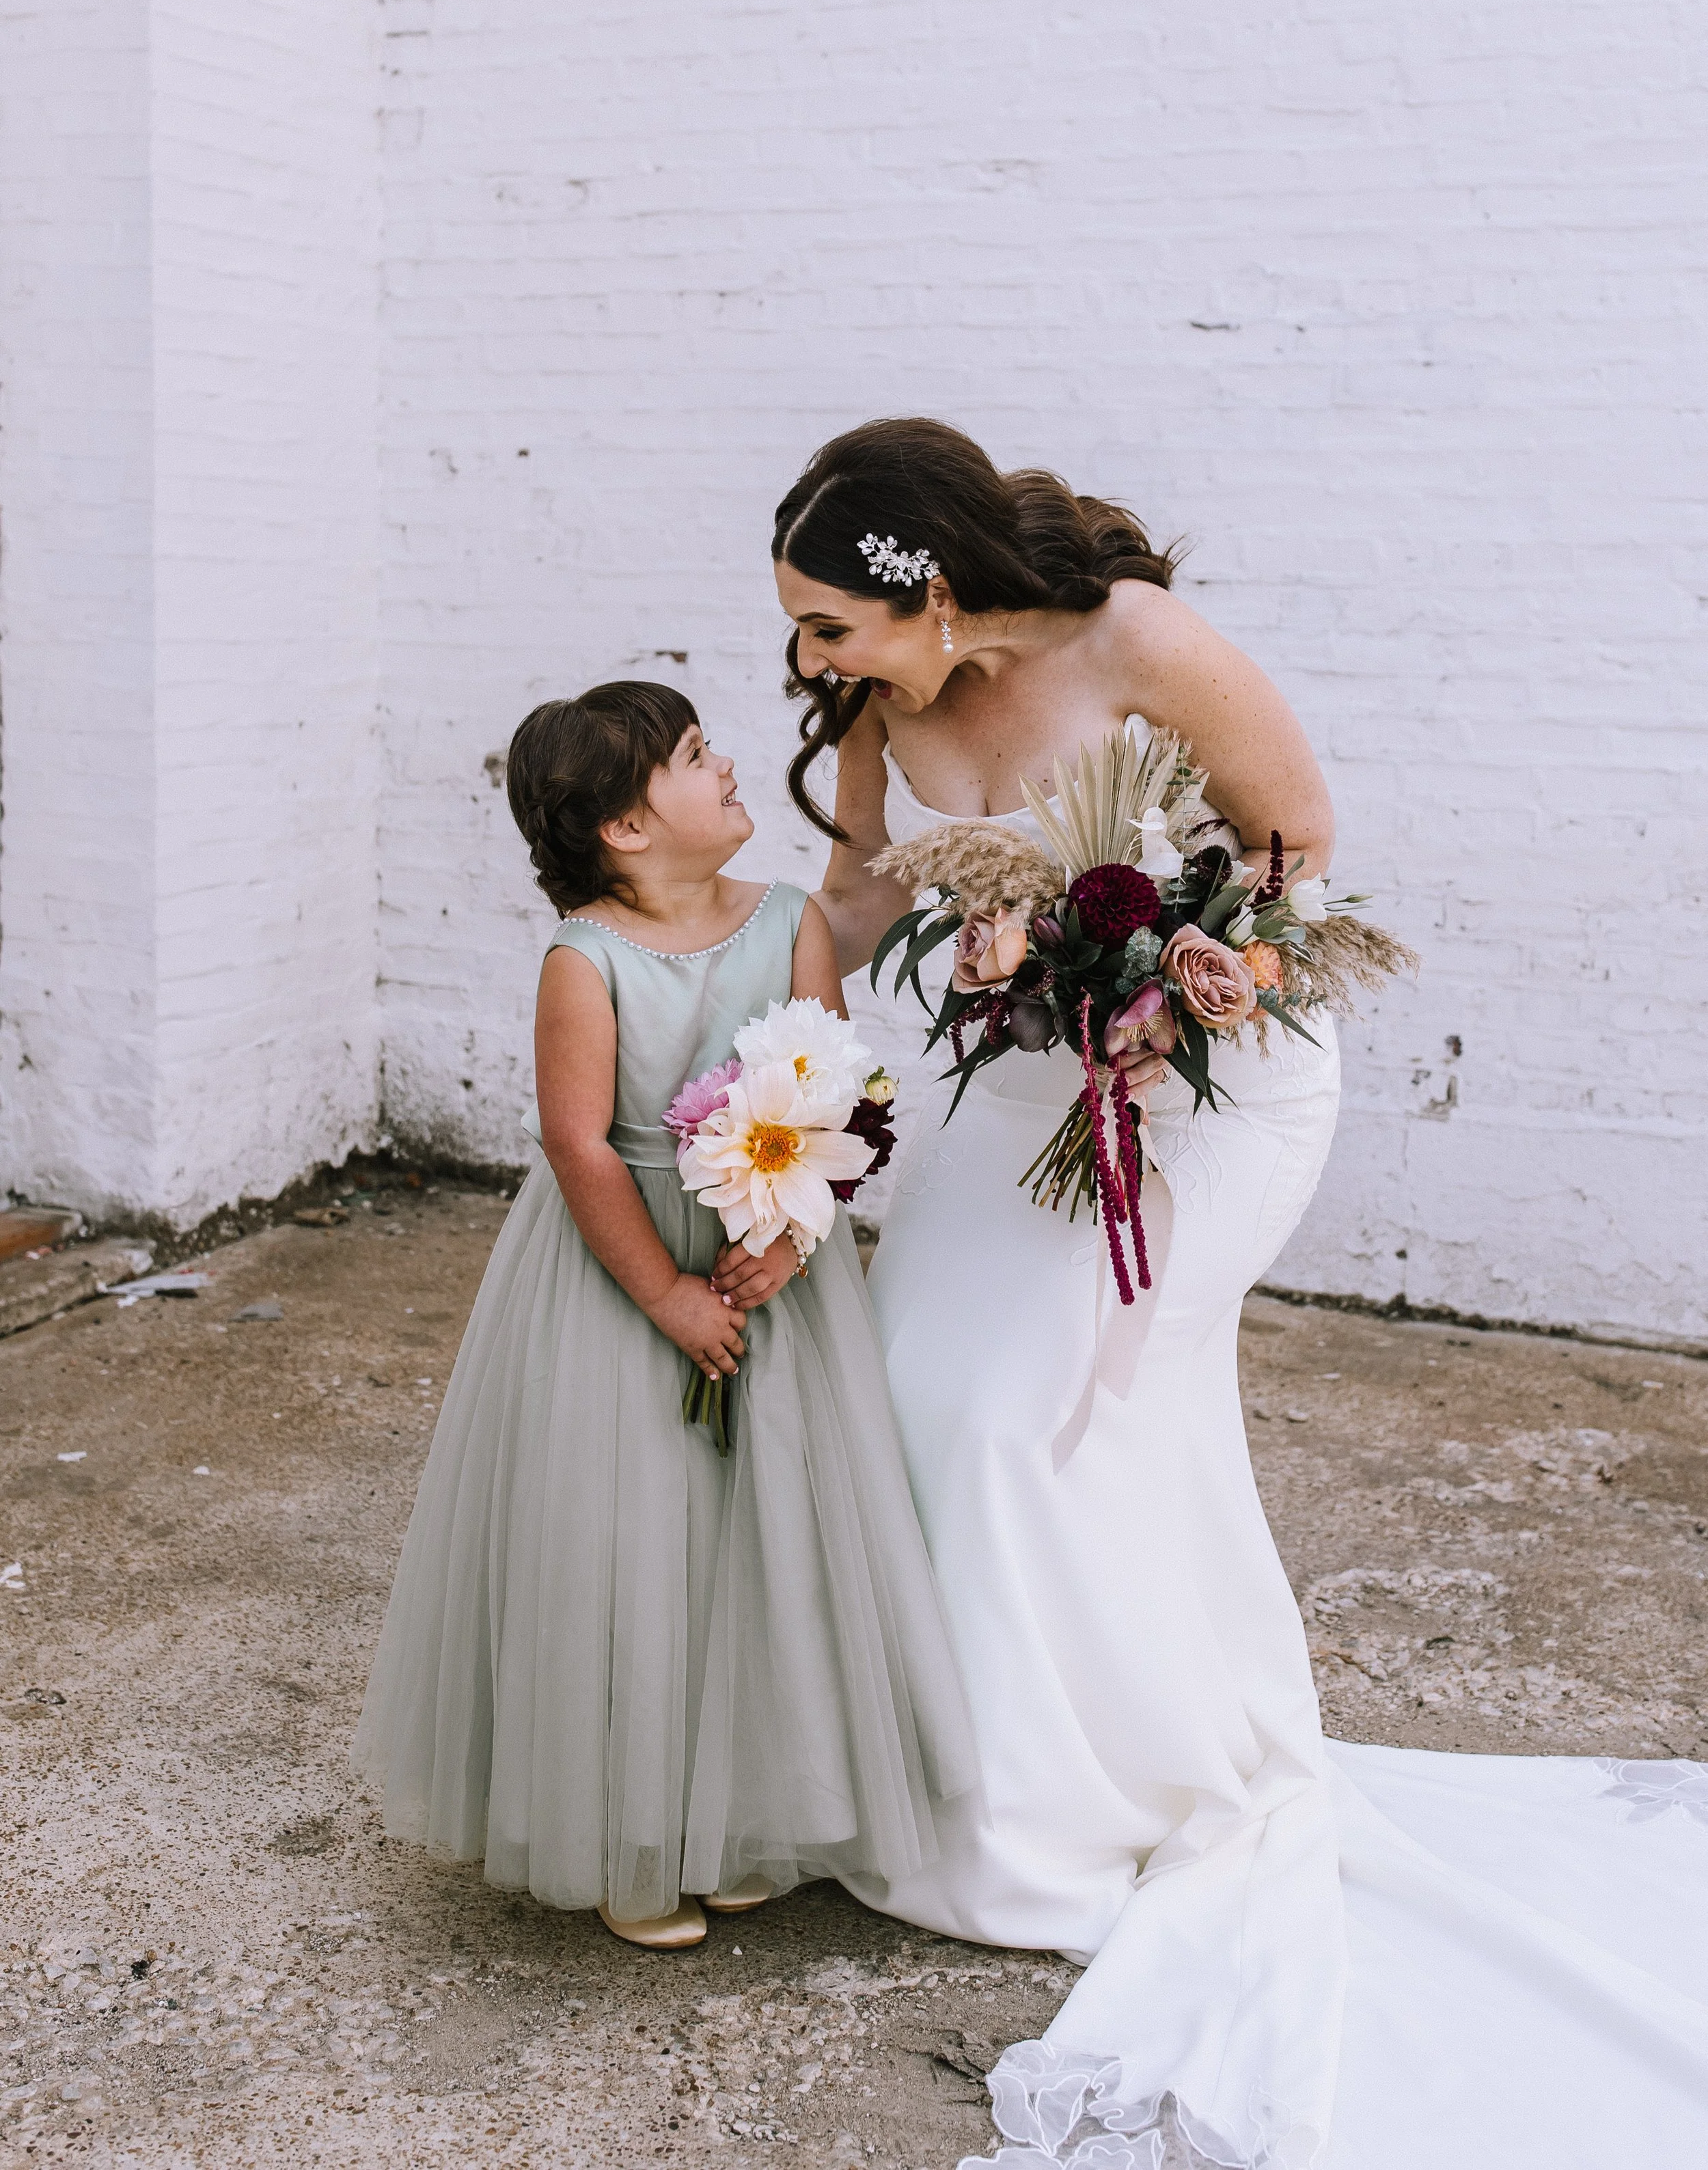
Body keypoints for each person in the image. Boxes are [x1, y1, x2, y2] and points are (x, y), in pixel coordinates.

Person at [773, 419, 1708, 2169]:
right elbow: (849, 884)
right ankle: (980, 1774)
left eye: (831, 626)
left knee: (1042, 1397)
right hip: (1028, 1086)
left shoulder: (1134, 644)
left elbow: (1293, 847)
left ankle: (1071, 1819)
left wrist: (1157, 995)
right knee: (916, 1390)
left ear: (937, 594)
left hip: (1213, 1074)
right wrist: (798, 1087)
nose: (806, 662)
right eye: (805, 630)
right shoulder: (871, 708)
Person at [353, 681, 976, 1949]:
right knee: (625, 1534)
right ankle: (626, 1839)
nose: (729, 761)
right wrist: (668, 1295)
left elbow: (838, 1089)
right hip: (621, 1272)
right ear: (627, 828)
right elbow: (580, 1145)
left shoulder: (792, 922)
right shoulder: (585, 961)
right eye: (695, 756)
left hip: (764, 1261)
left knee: (762, 1540)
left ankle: (742, 1815)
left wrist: (789, 1238)